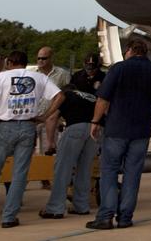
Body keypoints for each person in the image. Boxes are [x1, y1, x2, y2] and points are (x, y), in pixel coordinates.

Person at [85, 39, 151, 231]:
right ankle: (125, 217)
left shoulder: (119, 68)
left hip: (117, 130)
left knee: (109, 171)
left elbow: (103, 98)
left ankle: (105, 217)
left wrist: (95, 121)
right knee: (133, 174)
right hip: (141, 131)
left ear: (130, 51)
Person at [0, 50, 63, 229]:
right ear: (26, 63)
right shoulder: (38, 77)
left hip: (5, 126)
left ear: (9, 62)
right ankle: (9, 217)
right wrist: (45, 116)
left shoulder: (1, 77)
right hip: (28, 126)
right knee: (19, 174)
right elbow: (60, 96)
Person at [40, 54, 106, 220]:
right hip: (96, 130)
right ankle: (81, 205)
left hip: (76, 128)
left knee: (63, 168)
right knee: (84, 169)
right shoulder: (90, 96)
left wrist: (51, 143)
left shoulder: (65, 95)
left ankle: (55, 208)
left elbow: (52, 119)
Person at [33, 47, 70, 158]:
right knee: (32, 153)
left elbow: (68, 95)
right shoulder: (32, 74)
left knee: (48, 153)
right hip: (34, 117)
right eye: (38, 58)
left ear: (51, 58)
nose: (40, 61)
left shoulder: (62, 74)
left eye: (44, 58)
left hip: (52, 119)